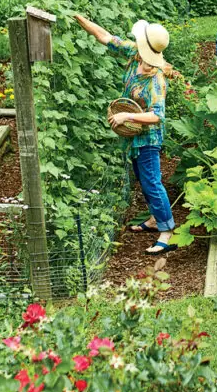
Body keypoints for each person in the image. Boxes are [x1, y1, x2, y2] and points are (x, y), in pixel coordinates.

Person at [73, 14, 177, 255]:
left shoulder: (156, 80)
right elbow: (106, 37)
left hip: (149, 138)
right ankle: (154, 220)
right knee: (143, 179)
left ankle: (167, 231)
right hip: (134, 135)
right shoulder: (134, 54)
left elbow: (157, 116)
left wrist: (126, 117)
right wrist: (83, 21)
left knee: (152, 182)